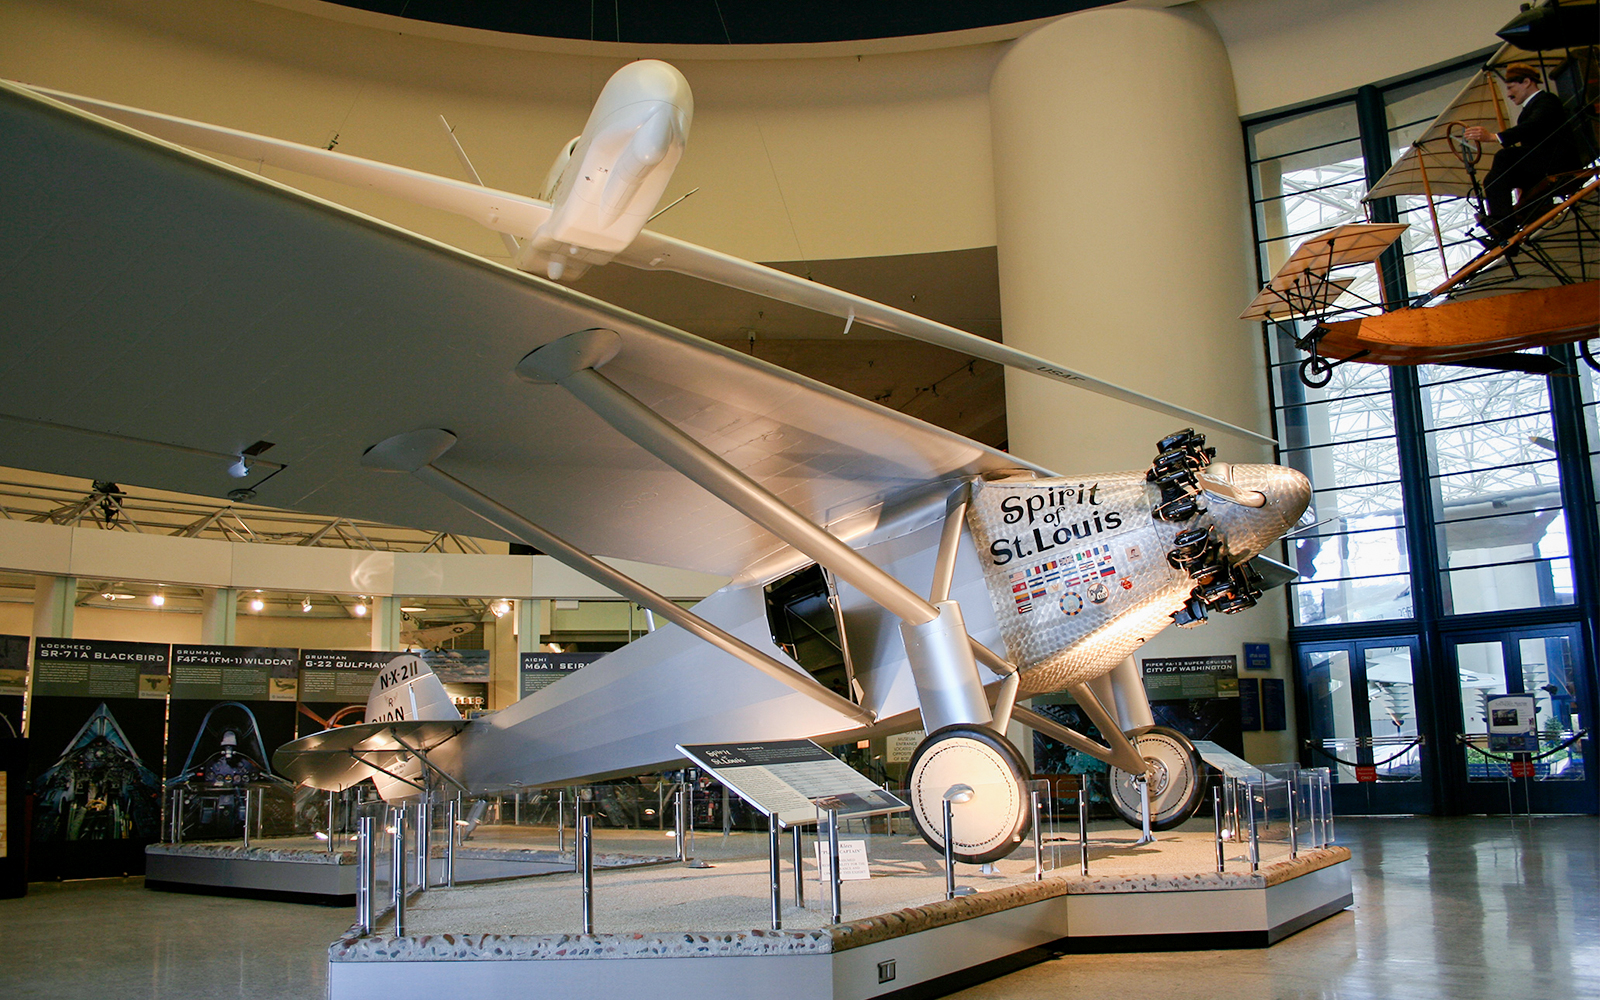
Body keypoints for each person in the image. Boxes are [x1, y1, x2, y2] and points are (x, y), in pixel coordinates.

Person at [1463, 63, 1588, 241]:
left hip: (1558, 162)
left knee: (1504, 157)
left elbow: (1534, 126)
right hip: (1543, 162)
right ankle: (1501, 224)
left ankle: (1503, 225)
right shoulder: (1530, 109)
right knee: (1491, 180)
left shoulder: (1547, 101)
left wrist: (1494, 137)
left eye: (1511, 87)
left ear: (1527, 82)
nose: (1509, 94)